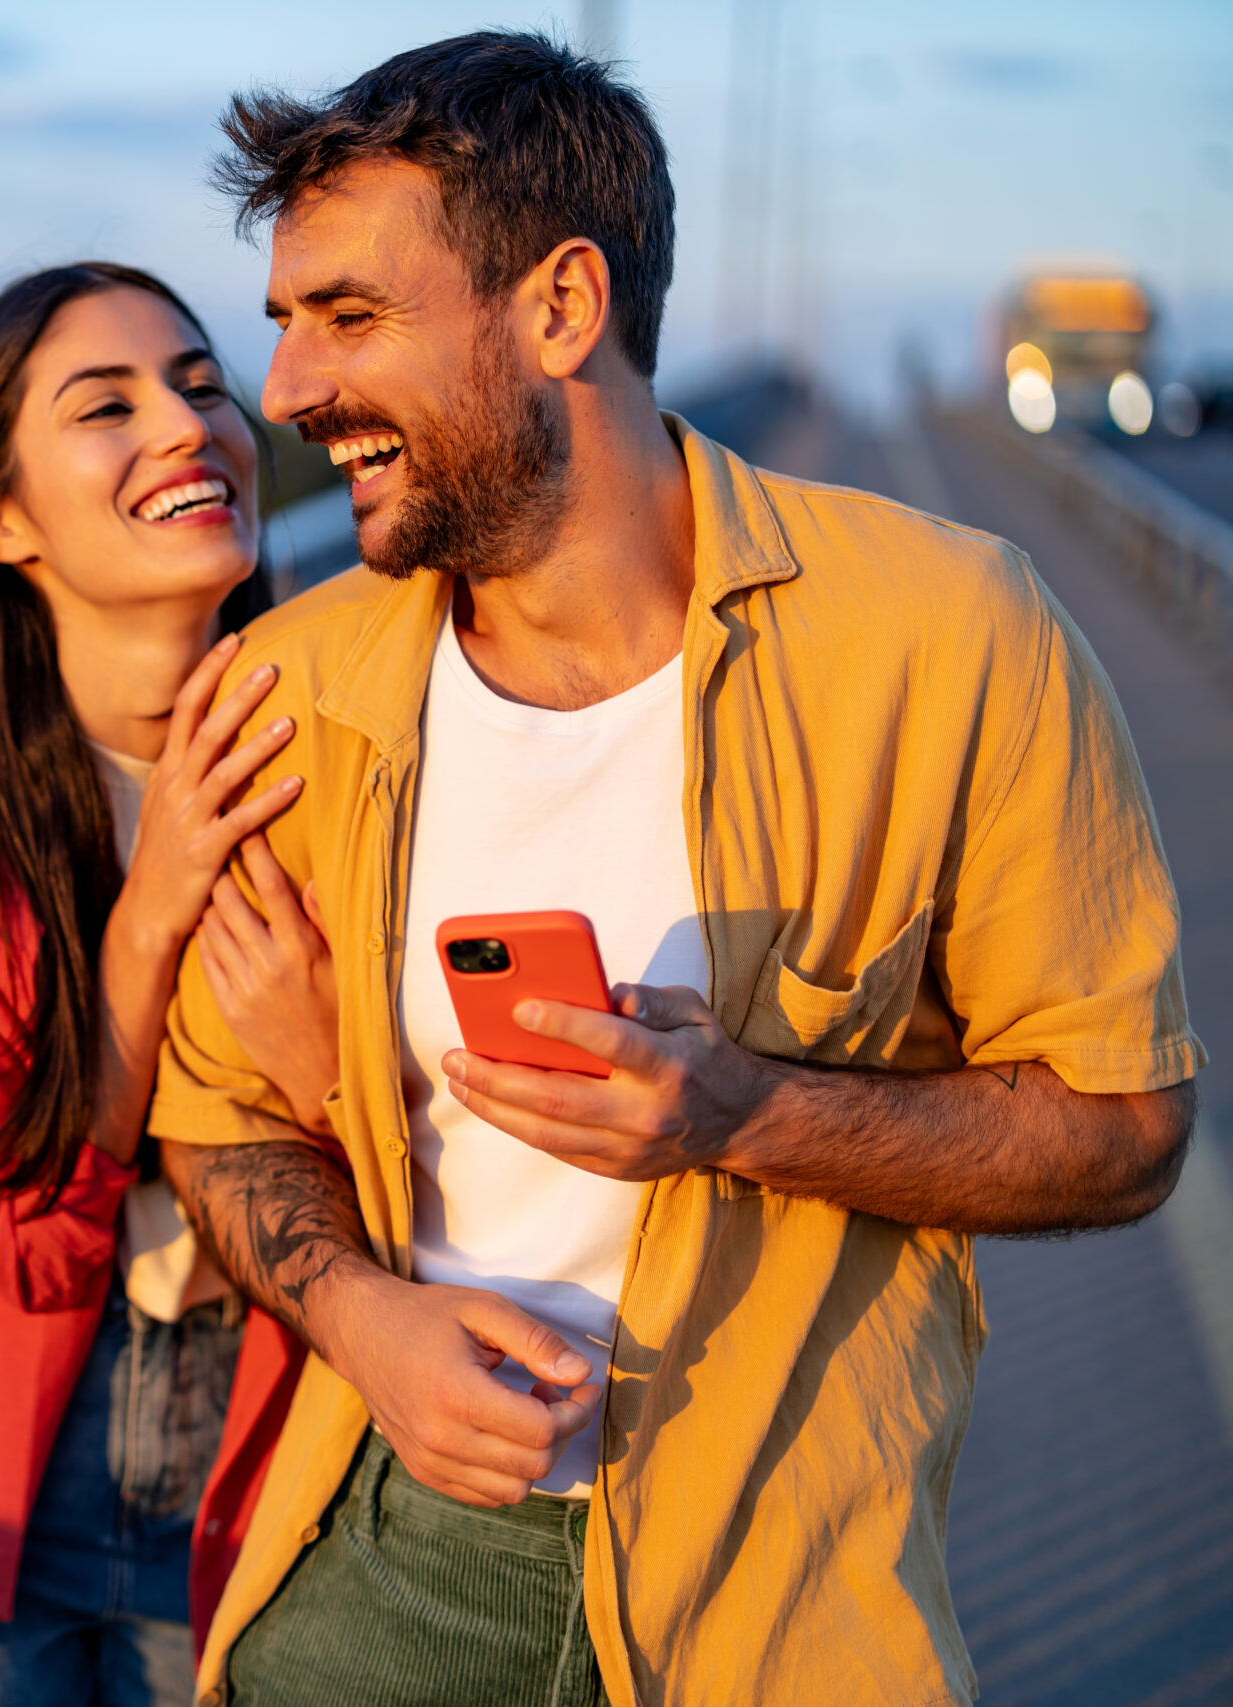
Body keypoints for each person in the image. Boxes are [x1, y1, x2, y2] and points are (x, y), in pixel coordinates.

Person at [149, 32, 1205, 1707]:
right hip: (395, 1562)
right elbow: (213, 1121)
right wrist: (361, 1318)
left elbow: (1130, 1128)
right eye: (281, 324)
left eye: (348, 318)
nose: (282, 389)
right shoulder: (294, 690)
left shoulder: (952, 636)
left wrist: (748, 1116)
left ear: (561, 308)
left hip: (780, 1606)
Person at [0, 262, 328, 1705]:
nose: (184, 426)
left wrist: (329, 1070)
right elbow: (12, 1231)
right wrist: (158, 898)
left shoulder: (347, 752)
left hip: (262, 1478)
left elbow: (444, 1164)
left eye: (200, 383)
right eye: (106, 405)